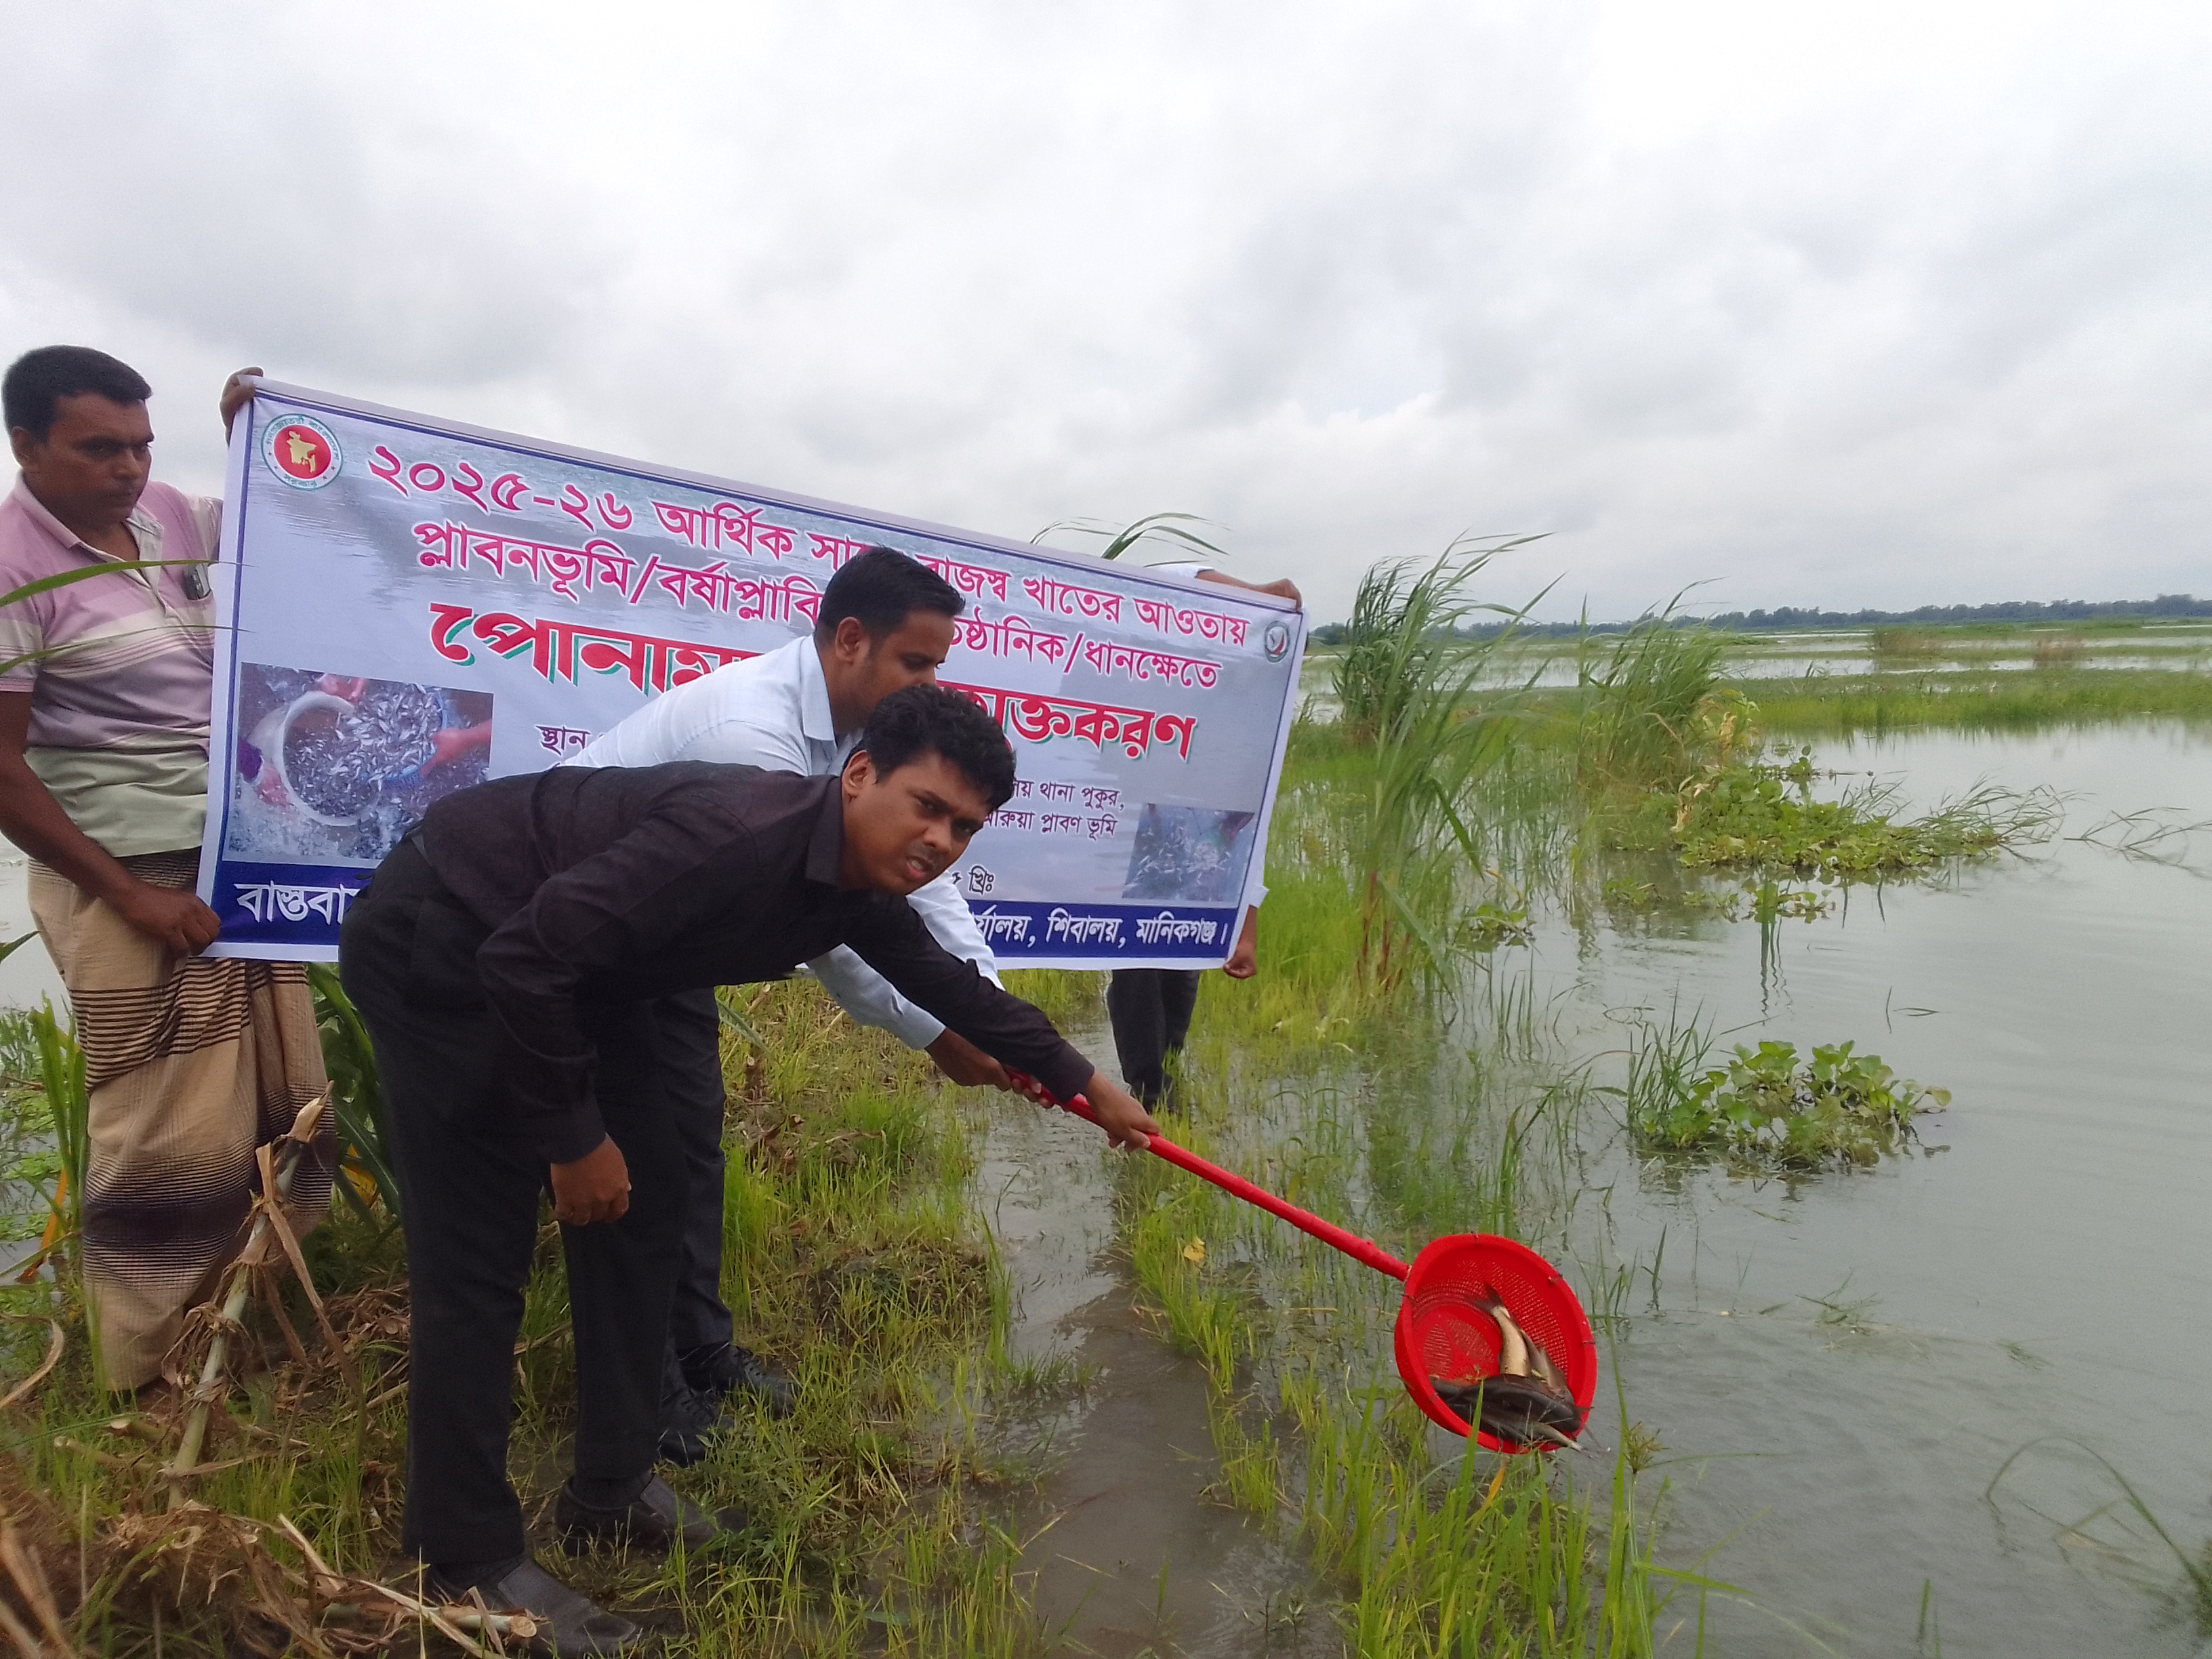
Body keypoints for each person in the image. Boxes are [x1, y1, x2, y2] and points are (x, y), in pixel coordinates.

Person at [339, 684, 1158, 1653]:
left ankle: (611, 1488)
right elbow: (525, 958)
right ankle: (464, 1561)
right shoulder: (734, 837)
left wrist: (1081, 1081)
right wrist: (571, 1138)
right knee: (478, 1264)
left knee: (651, 1202)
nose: (941, 840)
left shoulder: (853, 880)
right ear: (858, 777)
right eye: (927, 807)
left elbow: (936, 975)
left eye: (965, 827)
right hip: (451, 932)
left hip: (580, 970)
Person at [568, 546, 1013, 1458]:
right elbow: (834, 926)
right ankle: (646, 1398)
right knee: (637, 1174)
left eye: (939, 665)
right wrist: (940, 1035)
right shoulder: (751, 732)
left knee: (693, 1151)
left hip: (671, 946)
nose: (930, 683)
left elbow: (922, 890)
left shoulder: (870, 744)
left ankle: (704, 1351)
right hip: (587, 944)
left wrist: (996, 1012)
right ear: (851, 639)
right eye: (917, 663)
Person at [0, 346, 331, 1392]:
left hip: (225, 862)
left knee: (277, 1104)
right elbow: (2, 770)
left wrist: (264, 442)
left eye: (143, 446)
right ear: (27, 445)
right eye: (100, 448)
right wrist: (132, 894)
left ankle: (246, 1337)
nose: (130, 470)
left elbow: (299, 529)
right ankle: (144, 1378)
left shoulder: (173, 521)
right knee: (160, 1137)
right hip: (127, 876)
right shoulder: (14, 565)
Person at [1107, 561, 1300, 1107]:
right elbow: (1180, 576)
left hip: (1194, 883)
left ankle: (1165, 1082)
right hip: (1130, 868)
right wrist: (1263, 595)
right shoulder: (1149, 689)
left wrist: (1247, 923)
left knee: (1179, 986)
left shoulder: (1240, 740)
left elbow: (1244, 840)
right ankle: (1147, 1095)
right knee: (1138, 973)